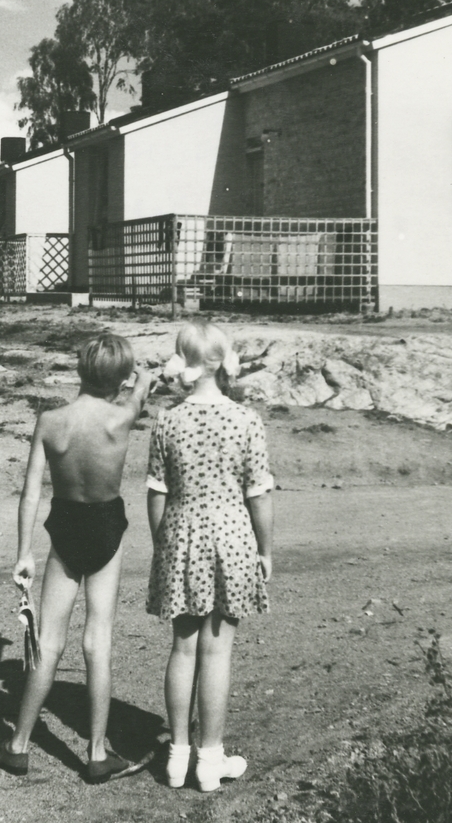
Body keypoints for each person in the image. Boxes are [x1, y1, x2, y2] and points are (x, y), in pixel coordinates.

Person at [0, 332, 152, 783]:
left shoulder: (51, 420)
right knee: (98, 640)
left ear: (78, 369)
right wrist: (136, 377)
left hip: (66, 526)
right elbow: (143, 387)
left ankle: (18, 746)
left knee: (49, 641)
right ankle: (96, 753)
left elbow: (31, 492)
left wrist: (24, 551)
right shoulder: (122, 416)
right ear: (120, 378)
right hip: (106, 526)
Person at [146, 320, 274, 793]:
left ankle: (177, 756)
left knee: (182, 648)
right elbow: (259, 495)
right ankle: (210, 759)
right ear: (224, 363)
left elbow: (157, 493)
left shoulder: (168, 420)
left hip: (180, 536)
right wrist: (265, 549)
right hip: (232, 539)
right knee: (217, 651)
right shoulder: (246, 420)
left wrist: (163, 545)